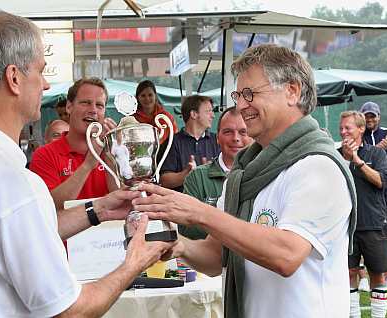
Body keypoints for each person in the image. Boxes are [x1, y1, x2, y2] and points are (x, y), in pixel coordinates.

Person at [0, 11, 172, 317]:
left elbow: (12, 232)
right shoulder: (13, 183)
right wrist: (135, 262)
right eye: (40, 70)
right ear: (14, 78)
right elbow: (70, 311)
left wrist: (98, 210)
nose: (46, 84)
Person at [132, 44, 356, 318]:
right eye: (238, 95)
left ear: (292, 91)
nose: (240, 105)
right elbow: (216, 256)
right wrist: (177, 245)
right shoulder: (245, 173)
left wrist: (200, 212)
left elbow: (286, 255)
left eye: (250, 94)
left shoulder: (317, 166)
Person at [30, 78, 117, 209]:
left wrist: (112, 156)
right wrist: (88, 165)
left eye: (99, 105)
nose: (93, 110)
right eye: (86, 103)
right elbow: (49, 207)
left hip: (111, 228)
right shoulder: (44, 154)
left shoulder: (113, 150)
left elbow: (122, 199)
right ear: (69, 107)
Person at [338, 111, 387, 318]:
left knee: (377, 275)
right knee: (348, 274)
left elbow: (382, 182)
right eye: (341, 128)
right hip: (344, 226)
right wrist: (344, 158)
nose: (343, 132)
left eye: (348, 128)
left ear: (361, 129)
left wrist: (357, 160)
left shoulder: (376, 154)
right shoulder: (333, 154)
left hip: (373, 224)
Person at [181, 107, 252, 239]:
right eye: (228, 132)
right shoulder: (197, 177)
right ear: (217, 138)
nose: (236, 138)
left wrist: (208, 219)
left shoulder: (265, 174)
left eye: (243, 132)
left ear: (253, 136)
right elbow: (186, 228)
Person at [358, 101, 387, 292]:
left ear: (378, 117)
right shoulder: (357, 133)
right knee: (361, 234)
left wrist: (385, 150)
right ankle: (362, 278)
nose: (370, 119)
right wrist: (377, 149)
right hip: (364, 191)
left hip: (386, 189)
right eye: (367, 116)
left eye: (373, 116)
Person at [160, 95, 219, 192]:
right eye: (208, 111)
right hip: (182, 203)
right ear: (194, 114)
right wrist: (185, 176)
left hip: (213, 202)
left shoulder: (217, 140)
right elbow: (164, 181)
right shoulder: (173, 142)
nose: (213, 115)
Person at [133, 80, 178, 145]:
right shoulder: (132, 119)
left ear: (155, 96)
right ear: (137, 98)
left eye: (150, 95)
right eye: (143, 95)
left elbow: (175, 139)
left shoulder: (166, 117)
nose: (147, 99)